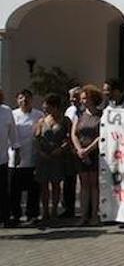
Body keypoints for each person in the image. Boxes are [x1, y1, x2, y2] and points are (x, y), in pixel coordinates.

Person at [33, 94, 71, 225]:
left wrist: (61, 149)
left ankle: (54, 211)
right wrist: (40, 152)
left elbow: (69, 138)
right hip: (44, 158)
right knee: (44, 186)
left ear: (55, 107)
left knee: (56, 185)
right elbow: (36, 139)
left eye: (48, 107)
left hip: (57, 157)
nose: (45, 109)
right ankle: (45, 212)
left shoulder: (65, 120)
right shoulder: (42, 121)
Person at [9, 90, 44, 225]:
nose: (24, 100)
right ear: (17, 100)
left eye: (27, 98)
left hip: (33, 157)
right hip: (15, 159)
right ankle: (15, 215)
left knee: (33, 189)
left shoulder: (38, 114)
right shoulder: (12, 115)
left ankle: (33, 214)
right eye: (21, 98)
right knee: (14, 190)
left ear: (32, 99)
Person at [71, 85, 103, 226]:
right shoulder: (79, 114)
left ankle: (94, 215)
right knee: (84, 185)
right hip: (81, 154)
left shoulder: (101, 115)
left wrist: (88, 150)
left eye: (85, 98)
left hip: (95, 153)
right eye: (82, 99)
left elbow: (101, 135)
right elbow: (74, 133)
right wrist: (80, 150)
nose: (83, 101)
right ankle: (83, 215)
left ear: (93, 99)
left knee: (94, 185)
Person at [60, 86, 82, 218]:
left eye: (75, 96)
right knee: (69, 180)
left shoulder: (85, 111)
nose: (72, 99)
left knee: (85, 181)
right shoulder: (69, 110)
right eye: (70, 97)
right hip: (69, 150)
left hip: (82, 148)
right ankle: (69, 208)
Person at [0, 88, 20, 227]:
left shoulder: (6, 111)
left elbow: (13, 132)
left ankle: (5, 218)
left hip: (2, 158)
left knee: (2, 190)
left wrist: (16, 149)